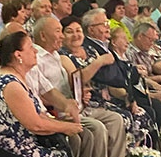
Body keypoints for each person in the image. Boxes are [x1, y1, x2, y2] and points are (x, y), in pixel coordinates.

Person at [34, 15, 137, 157]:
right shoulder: (39, 59)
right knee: (96, 128)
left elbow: (73, 84)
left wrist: (81, 94)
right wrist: (68, 102)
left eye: (77, 31)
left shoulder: (56, 56)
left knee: (115, 119)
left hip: (75, 106)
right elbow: (40, 95)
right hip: (57, 112)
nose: (62, 36)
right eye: (60, 31)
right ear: (43, 36)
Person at [61, 8, 155, 142]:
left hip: (106, 97)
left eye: (78, 31)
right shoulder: (66, 55)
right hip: (90, 101)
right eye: (103, 24)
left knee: (146, 112)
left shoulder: (90, 50)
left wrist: (129, 95)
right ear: (91, 29)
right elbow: (84, 79)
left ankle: (137, 153)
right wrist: (100, 62)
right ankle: (128, 153)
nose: (107, 27)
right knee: (124, 117)